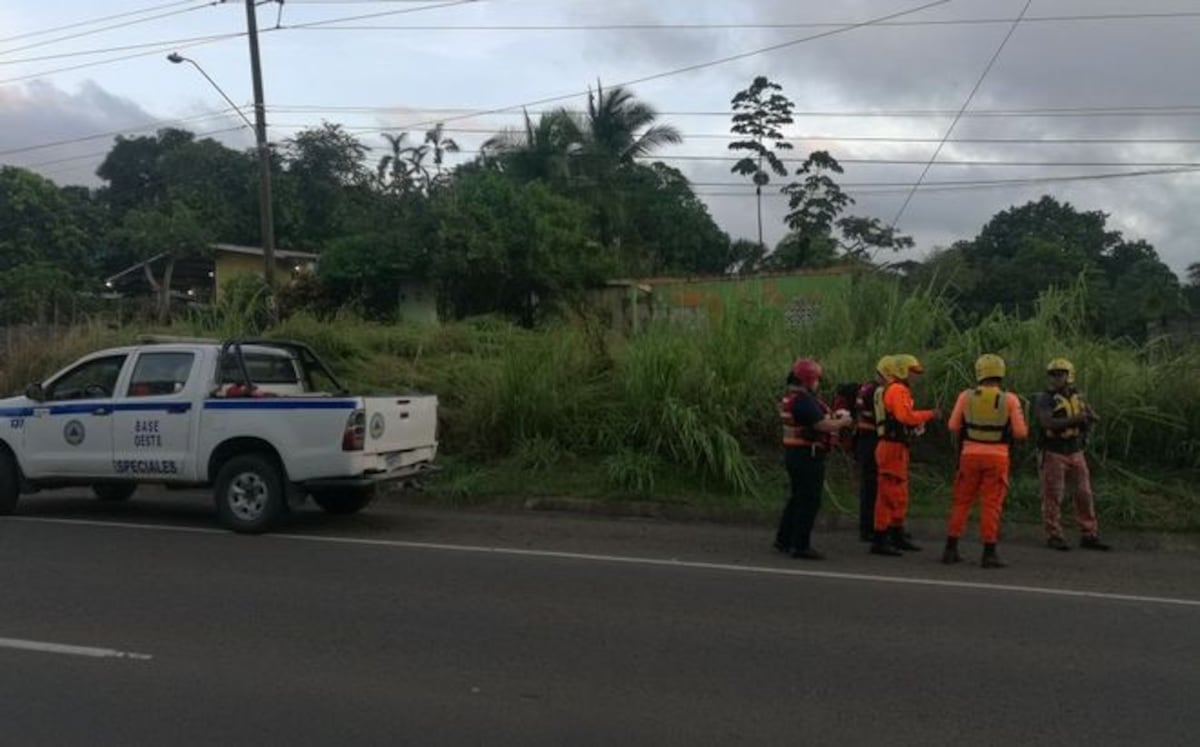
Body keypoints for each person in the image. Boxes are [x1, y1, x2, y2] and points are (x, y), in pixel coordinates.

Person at [942, 354, 1029, 568]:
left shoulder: (966, 396)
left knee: (961, 502)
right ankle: (989, 553)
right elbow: (1020, 433)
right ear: (1000, 372)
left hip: (969, 456)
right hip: (998, 457)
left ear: (979, 372)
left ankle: (950, 549)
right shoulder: (1009, 399)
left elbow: (953, 426)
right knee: (991, 505)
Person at [774, 358, 854, 560]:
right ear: (808, 380)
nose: (818, 383)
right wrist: (843, 421)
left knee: (797, 498)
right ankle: (800, 545)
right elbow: (821, 425)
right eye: (816, 379)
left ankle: (784, 539)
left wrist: (833, 417)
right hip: (807, 456)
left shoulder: (792, 398)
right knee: (809, 501)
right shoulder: (803, 400)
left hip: (797, 455)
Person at [1037, 358, 1111, 552]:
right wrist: (1076, 420)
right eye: (1052, 374)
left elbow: (1094, 416)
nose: (1055, 378)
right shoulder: (1046, 398)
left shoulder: (1078, 396)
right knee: (1053, 495)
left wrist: (1088, 419)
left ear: (1069, 376)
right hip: (1054, 452)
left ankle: (1089, 534)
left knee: (1084, 494)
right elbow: (1047, 423)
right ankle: (1054, 535)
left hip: (1076, 450)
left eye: (1059, 374)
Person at [870, 353, 940, 557]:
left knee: (899, 494)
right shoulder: (897, 390)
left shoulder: (894, 390)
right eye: (912, 372)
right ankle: (881, 538)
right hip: (891, 448)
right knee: (888, 495)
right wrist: (929, 414)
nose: (915, 376)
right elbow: (904, 416)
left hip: (896, 447)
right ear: (901, 370)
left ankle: (895, 533)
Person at [853, 356, 894, 542]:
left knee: (869, 486)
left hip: (863, 440)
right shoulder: (877, 392)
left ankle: (869, 526)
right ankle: (870, 528)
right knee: (873, 487)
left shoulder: (866, 387)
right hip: (872, 440)